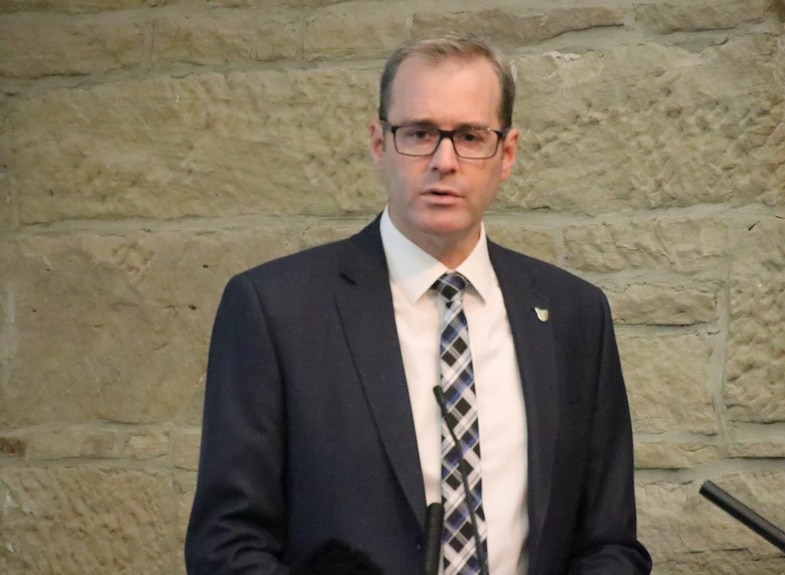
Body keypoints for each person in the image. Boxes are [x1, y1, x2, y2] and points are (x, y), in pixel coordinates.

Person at [185, 33, 652, 575]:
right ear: (379, 144)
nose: (444, 160)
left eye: (471, 136)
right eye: (419, 133)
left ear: (508, 153)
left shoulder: (574, 315)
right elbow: (228, 546)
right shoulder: (276, 310)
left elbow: (609, 543)